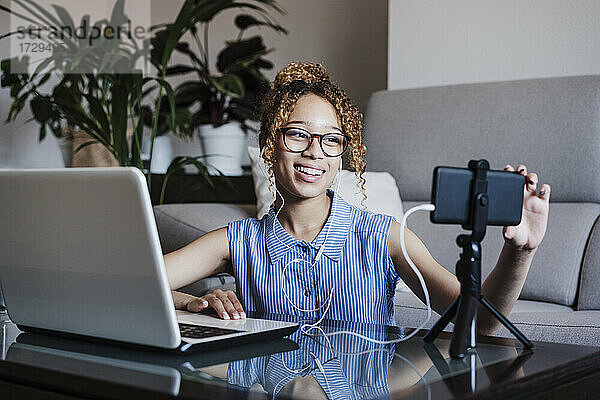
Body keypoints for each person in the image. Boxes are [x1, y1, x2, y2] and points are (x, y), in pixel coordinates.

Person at [165, 62, 550, 334]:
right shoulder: (236, 240)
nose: (315, 152)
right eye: (298, 134)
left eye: (331, 140)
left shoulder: (387, 238)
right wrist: (190, 302)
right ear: (270, 146)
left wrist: (522, 250)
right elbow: (125, 281)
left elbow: (481, 322)